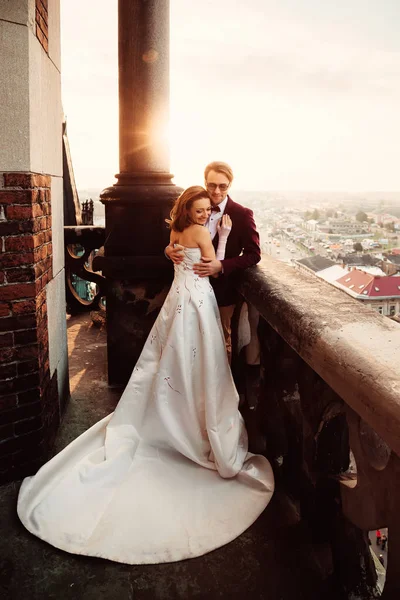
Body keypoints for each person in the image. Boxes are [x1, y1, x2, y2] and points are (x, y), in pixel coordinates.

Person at [17, 186, 274, 566]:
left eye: (208, 210)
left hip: (176, 302)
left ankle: (170, 411)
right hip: (198, 302)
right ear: (190, 209)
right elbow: (213, 266)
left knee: (168, 360)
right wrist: (220, 236)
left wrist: (175, 251)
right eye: (201, 209)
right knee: (199, 361)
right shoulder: (203, 233)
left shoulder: (173, 232)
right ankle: (193, 419)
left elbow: (176, 257)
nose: (205, 214)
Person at [165, 162, 261, 362]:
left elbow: (254, 254)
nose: (216, 191)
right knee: (187, 342)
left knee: (219, 343)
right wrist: (168, 251)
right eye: (211, 185)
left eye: (222, 186)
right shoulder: (194, 207)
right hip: (188, 293)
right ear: (205, 183)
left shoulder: (242, 214)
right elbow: (177, 239)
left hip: (223, 291)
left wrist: (222, 266)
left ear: (230, 185)